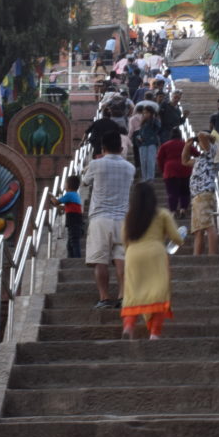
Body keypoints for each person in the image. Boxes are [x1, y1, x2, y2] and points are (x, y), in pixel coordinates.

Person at [120, 182, 184, 340]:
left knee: (133, 294)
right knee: (158, 294)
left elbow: (124, 240)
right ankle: (154, 333)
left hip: (133, 254)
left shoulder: (130, 216)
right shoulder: (162, 214)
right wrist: (181, 239)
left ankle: (128, 327)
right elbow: (176, 237)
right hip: (156, 255)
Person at [81, 131, 136, 309]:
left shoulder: (96, 164)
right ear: (121, 149)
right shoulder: (130, 168)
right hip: (123, 219)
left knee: (101, 260)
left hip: (100, 218)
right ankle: (122, 296)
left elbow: (84, 181)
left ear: (103, 148)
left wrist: (87, 168)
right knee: (121, 258)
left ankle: (104, 297)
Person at [181, 132, 219, 256]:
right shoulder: (200, 158)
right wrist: (187, 145)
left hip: (204, 192)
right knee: (198, 229)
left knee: (208, 224)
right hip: (197, 195)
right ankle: (197, 255)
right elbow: (185, 161)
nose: (200, 144)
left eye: (201, 142)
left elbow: (201, 135)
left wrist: (206, 137)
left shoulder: (212, 152)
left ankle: (212, 254)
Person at [157, 128, 192, 218]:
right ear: (180, 135)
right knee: (185, 191)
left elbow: (159, 158)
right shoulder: (185, 144)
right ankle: (183, 209)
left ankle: (172, 211)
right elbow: (196, 153)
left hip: (170, 170)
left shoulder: (165, 145)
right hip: (185, 169)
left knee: (172, 192)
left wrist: (163, 170)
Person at [50, 175, 84, 258]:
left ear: (69, 185)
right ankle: (71, 259)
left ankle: (77, 259)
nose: (64, 185)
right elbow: (66, 207)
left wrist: (51, 196)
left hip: (73, 222)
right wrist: (57, 206)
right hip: (76, 221)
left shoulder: (69, 195)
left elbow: (57, 202)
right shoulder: (75, 195)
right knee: (70, 244)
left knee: (74, 242)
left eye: (65, 183)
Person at [133, 106, 162, 181]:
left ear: (151, 113)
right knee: (143, 161)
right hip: (142, 144)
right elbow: (140, 132)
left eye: (147, 112)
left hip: (151, 142)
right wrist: (139, 137)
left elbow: (158, 128)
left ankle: (150, 178)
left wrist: (154, 118)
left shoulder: (155, 121)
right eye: (144, 112)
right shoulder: (143, 122)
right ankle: (144, 178)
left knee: (150, 160)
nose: (145, 114)